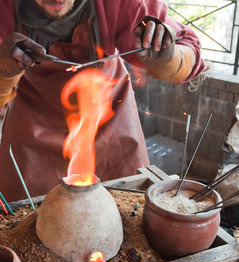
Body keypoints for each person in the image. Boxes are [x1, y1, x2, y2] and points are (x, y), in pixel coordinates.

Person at [0, 0, 204, 202]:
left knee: (126, 207)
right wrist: (3, 71)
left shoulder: (120, 4)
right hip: (34, 127)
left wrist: (168, 57)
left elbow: (188, 47)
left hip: (110, 122)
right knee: (24, 218)